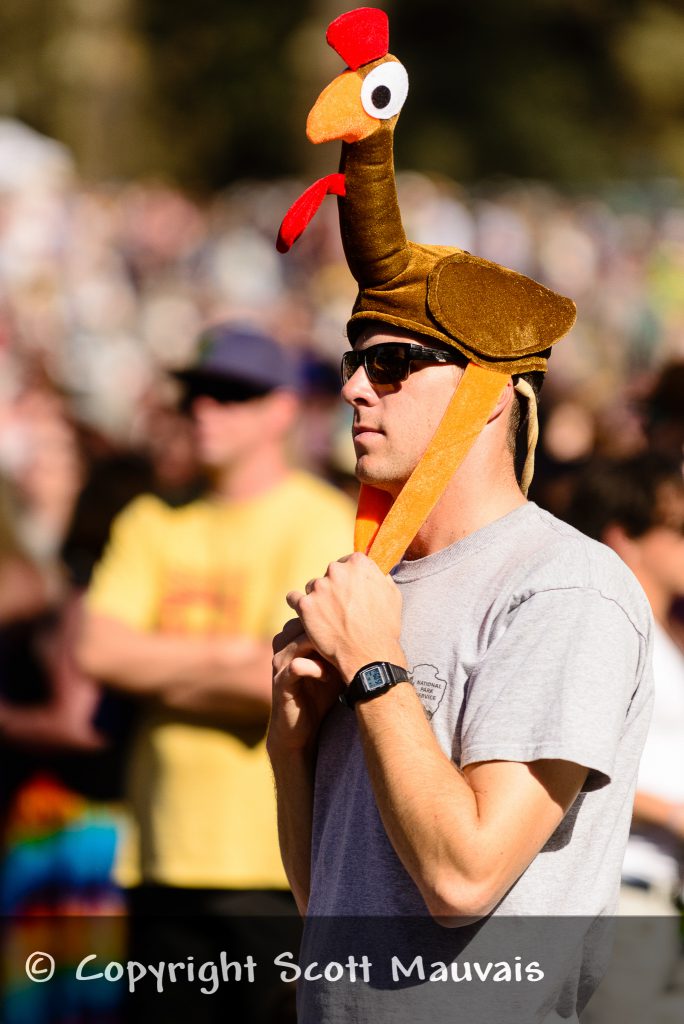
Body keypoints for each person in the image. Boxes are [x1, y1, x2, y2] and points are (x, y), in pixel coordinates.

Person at [268, 9, 653, 1023]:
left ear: (489, 395)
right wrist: (289, 744)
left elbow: (464, 877)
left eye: (393, 365)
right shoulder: (372, 592)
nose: (357, 388)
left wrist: (378, 671)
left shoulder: (565, 588)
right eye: (354, 360)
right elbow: (328, 909)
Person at [77, 322, 355, 1023]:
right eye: (196, 393)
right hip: (160, 858)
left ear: (284, 410)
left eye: (232, 395)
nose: (205, 409)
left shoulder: (321, 518)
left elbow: (295, 677)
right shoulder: (150, 519)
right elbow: (96, 652)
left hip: (274, 867)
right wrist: (233, 656)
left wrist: (157, 665)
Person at [567, 453, 684, 1023]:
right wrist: (674, 815)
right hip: (617, 897)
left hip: (656, 898)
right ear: (625, 536)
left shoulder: (660, 636)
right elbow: (573, 765)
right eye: (679, 529)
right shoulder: (611, 628)